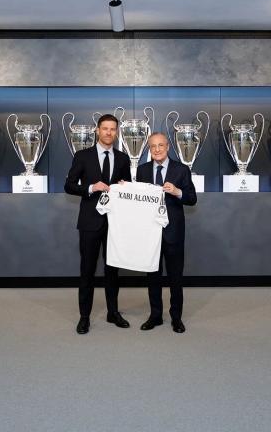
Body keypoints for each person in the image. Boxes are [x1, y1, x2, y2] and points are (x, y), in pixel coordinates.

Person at [64, 113, 132, 334]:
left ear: (117, 132)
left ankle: (113, 312)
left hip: (115, 223)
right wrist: (91, 187)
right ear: (97, 130)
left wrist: (124, 186)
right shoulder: (82, 156)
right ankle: (84, 317)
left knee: (112, 270)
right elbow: (69, 185)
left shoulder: (123, 158)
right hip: (89, 222)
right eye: (105, 128)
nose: (109, 132)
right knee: (87, 270)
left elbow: (128, 188)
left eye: (113, 129)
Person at [136, 132, 197, 333]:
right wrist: (125, 190)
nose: (157, 149)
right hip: (150, 233)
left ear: (168, 147)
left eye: (160, 145)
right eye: (153, 146)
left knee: (175, 277)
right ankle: (155, 316)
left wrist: (177, 191)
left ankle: (176, 318)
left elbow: (192, 198)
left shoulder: (181, 169)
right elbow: (138, 199)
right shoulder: (142, 170)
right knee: (152, 276)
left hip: (173, 232)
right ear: (149, 149)